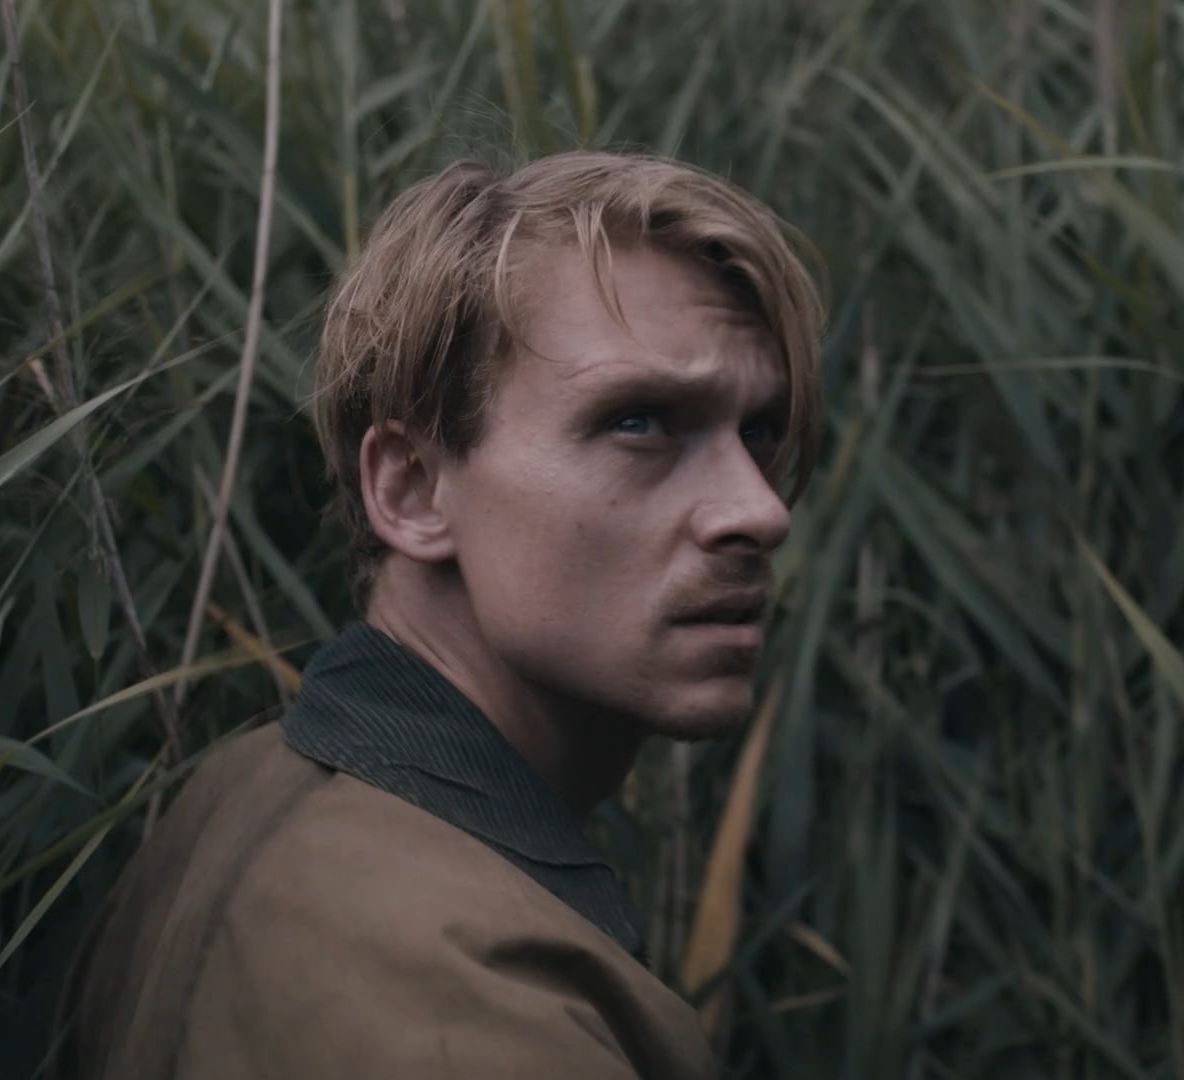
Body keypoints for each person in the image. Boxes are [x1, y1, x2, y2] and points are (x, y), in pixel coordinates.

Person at [52, 148, 825, 1079]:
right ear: (414, 491)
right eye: (640, 422)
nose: (761, 510)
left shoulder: (252, 782)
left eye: (760, 433)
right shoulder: (451, 993)